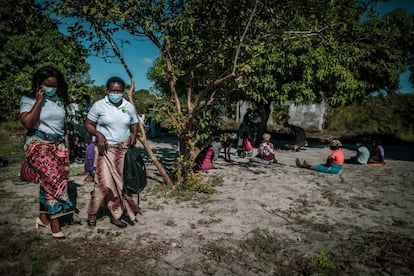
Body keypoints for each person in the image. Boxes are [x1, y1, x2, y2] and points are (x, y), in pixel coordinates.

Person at [20, 66, 77, 239]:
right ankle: (55, 223)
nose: (51, 88)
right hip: (38, 142)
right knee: (52, 180)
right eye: (47, 84)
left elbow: (62, 126)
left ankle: (42, 217)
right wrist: (39, 100)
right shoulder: (28, 98)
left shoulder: (60, 99)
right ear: (39, 83)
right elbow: (28, 123)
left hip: (58, 143)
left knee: (50, 180)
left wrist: (66, 148)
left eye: (54, 85)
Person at [85, 77, 139, 228]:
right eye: (113, 90)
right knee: (103, 183)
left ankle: (116, 215)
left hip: (122, 151)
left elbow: (134, 124)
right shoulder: (99, 105)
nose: (116, 93)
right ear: (107, 91)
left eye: (119, 91)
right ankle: (92, 213)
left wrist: (134, 134)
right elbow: (89, 124)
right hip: (104, 150)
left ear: (123, 91)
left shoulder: (128, 106)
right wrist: (98, 134)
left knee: (120, 186)